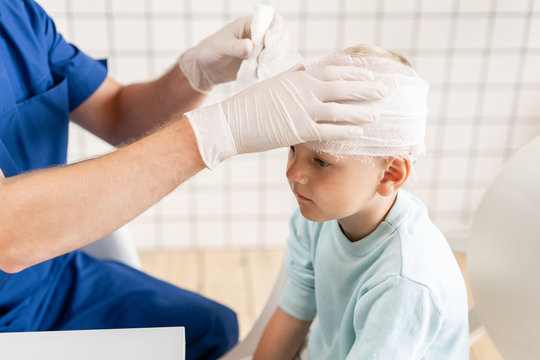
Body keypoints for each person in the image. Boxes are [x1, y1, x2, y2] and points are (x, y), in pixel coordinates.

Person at [0, 1, 386, 359]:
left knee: (211, 328)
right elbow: (9, 233)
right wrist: (220, 130)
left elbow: (118, 115)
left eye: (320, 160)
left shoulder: (19, 16)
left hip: (53, 274)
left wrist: (197, 73)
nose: (294, 175)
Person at [253, 45, 470, 359]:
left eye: (321, 162)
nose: (293, 173)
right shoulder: (315, 215)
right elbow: (293, 314)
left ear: (390, 174)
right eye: (292, 148)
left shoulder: (405, 281)